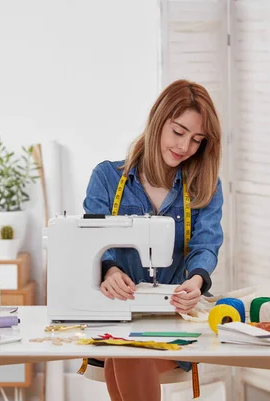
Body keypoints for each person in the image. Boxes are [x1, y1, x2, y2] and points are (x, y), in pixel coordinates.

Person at [82, 79, 224, 401]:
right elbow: (93, 244)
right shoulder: (107, 178)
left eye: (196, 139)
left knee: (127, 353)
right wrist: (110, 271)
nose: (185, 146)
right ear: (159, 120)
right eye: (178, 131)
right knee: (125, 350)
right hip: (116, 312)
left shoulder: (205, 187)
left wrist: (197, 281)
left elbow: (206, 245)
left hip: (175, 316)